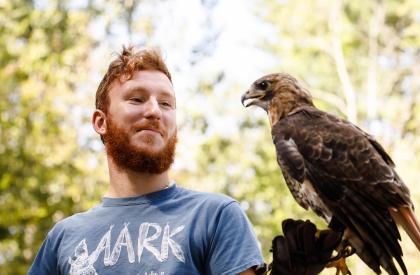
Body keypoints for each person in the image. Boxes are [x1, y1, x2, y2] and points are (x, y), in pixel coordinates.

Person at [28, 46, 264, 274]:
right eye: (137, 99)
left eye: (166, 103)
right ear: (101, 122)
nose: (154, 111)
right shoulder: (63, 238)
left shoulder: (215, 217)